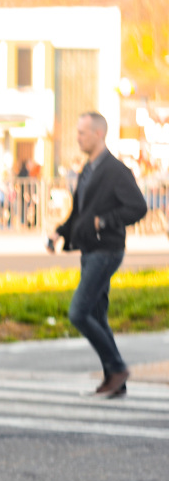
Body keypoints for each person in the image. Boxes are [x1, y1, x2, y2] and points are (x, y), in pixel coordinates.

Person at [49, 112, 148, 398]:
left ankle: (117, 368)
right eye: (78, 131)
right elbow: (79, 212)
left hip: (107, 250)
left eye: (82, 132)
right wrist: (59, 232)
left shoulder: (115, 170)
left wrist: (103, 221)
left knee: (78, 312)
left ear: (98, 134)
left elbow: (137, 208)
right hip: (90, 250)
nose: (78, 137)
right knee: (97, 315)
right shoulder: (87, 170)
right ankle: (115, 379)